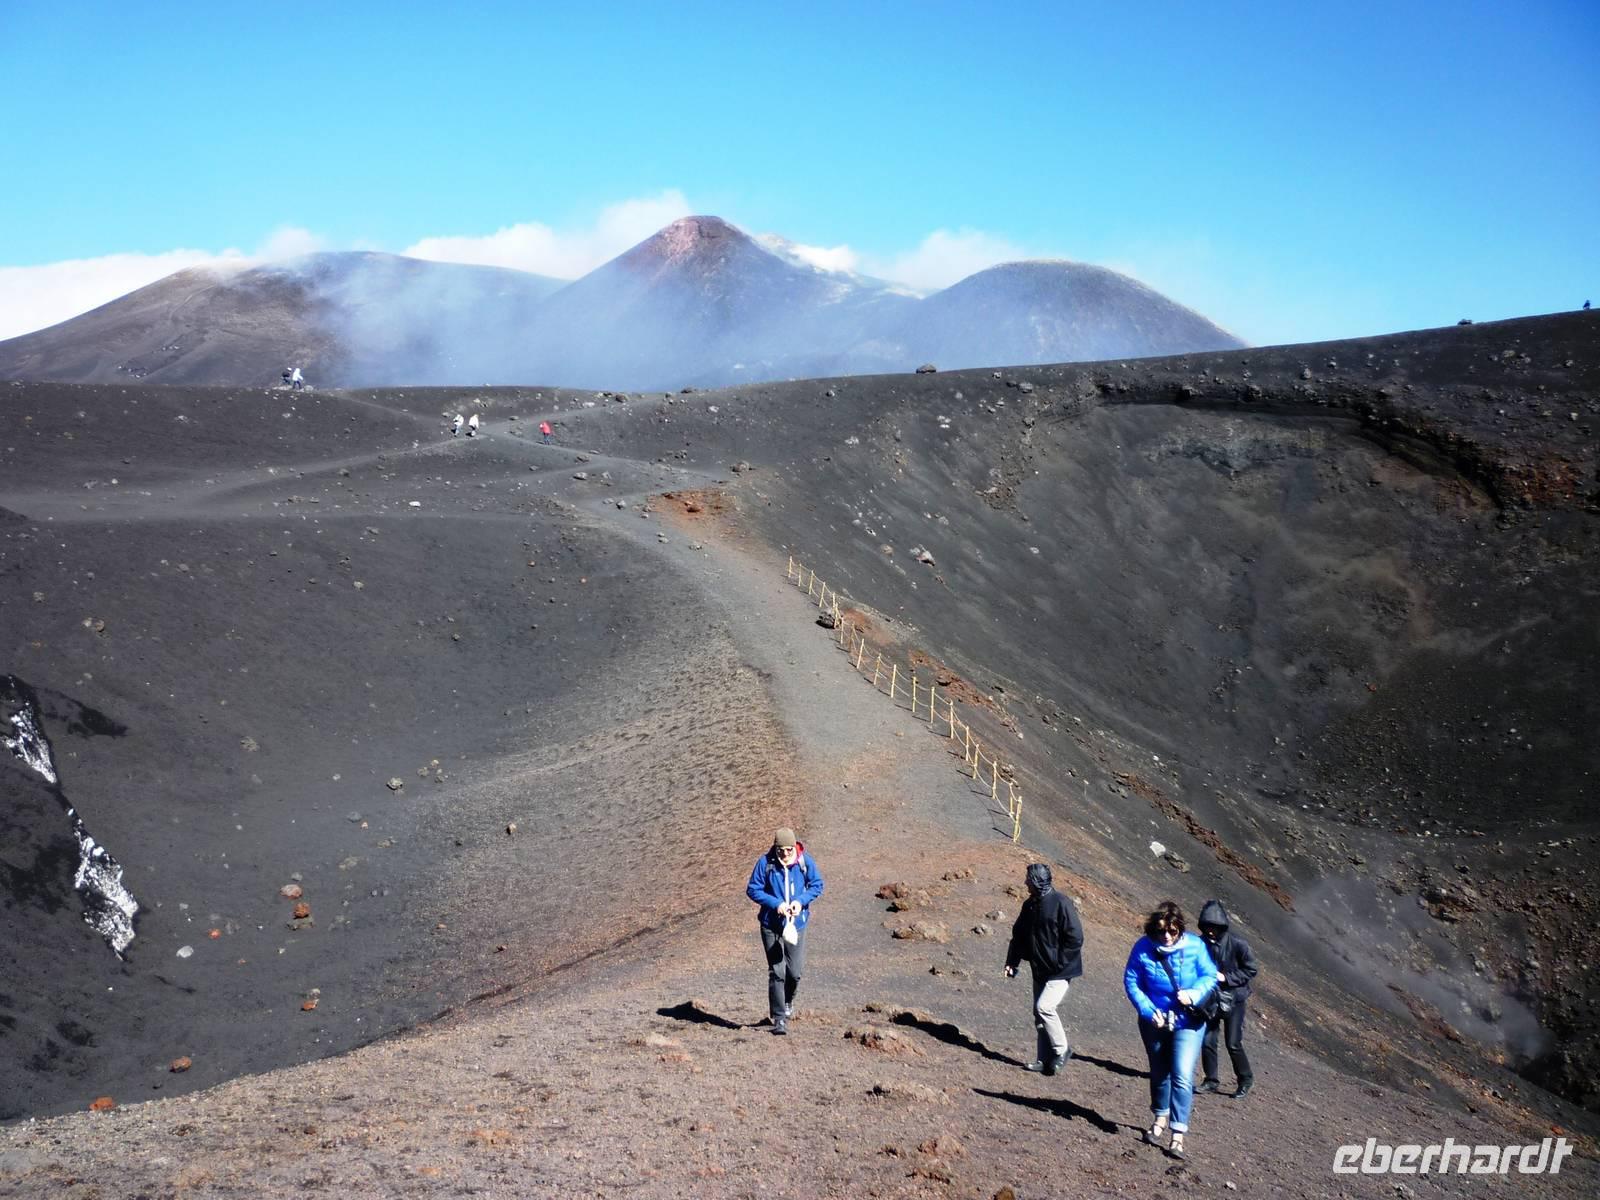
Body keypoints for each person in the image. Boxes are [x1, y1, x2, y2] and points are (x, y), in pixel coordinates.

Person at [1124, 900, 1218, 1161]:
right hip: (1154, 1021)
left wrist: (1195, 994)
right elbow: (1132, 980)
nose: (1166, 936)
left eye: (1172, 931)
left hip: (1187, 1021)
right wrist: (1146, 1009)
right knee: (1159, 1071)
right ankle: (1160, 1117)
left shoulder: (1195, 947)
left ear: (1180, 930)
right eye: (1161, 930)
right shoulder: (1143, 948)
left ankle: (1178, 1134)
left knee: (1182, 1074)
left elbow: (1209, 976)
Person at [1003, 862, 1084, 1075]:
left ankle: (1062, 1050)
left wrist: (1060, 962)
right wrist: (1012, 963)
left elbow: (1075, 937)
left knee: (1045, 1008)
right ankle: (1043, 1060)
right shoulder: (1029, 905)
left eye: (1028, 879)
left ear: (1037, 881)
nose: (1025, 882)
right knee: (1039, 1017)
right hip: (1039, 969)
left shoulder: (1060, 902)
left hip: (1060, 971)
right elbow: (1018, 936)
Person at [745, 827, 823, 1035]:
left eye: (788, 850)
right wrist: (776, 904)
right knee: (777, 971)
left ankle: (788, 1000)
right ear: (775, 847)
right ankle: (779, 1018)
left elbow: (817, 885)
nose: (785, 854)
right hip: (771, 925)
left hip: (796, 925)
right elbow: (753, 889)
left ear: (794, 847)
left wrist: (800, 902)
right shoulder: (766, 862)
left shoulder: (804, 862)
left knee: (794, 972)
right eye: (781, 850)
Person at [1196, 900, 1258, 1099]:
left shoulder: (1238, 944)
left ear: (1222, 926)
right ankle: (1211, 1080)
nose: (1210, 931)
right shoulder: (1200, 943)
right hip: (1211, 999)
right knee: (1207, 1040)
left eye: (1214, 928)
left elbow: (1251, 969)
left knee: (1233, 1043)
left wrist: (1227, 978)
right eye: (1207, 927)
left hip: (1235, 1000)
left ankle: (1245, 1079)